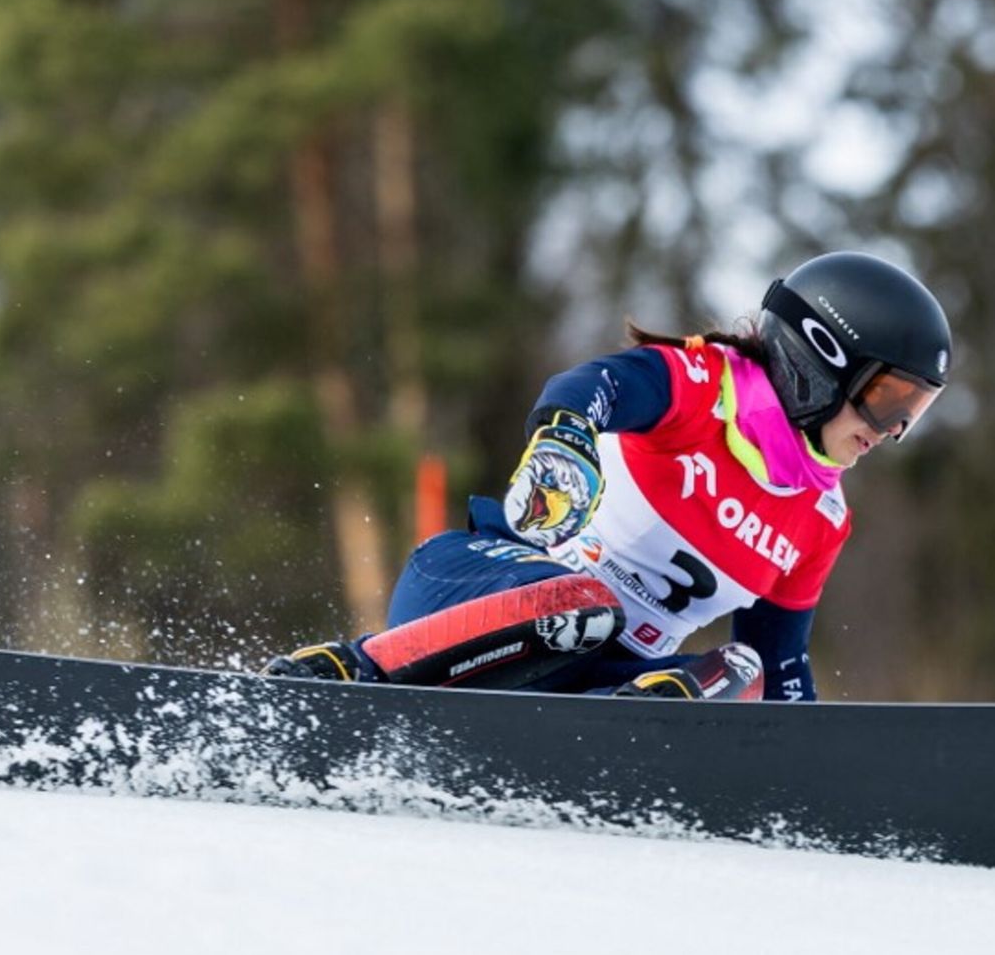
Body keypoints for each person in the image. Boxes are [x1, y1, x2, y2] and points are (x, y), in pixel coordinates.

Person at [264, 251, 952, 700]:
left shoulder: (820, 520)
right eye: (890, 397)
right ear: (821, 359)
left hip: (581, 674)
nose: (892, 429)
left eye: (914, 412)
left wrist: (826, 766)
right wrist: (566, 435)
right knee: (587, 605)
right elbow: (594, 383)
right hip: (473, 594)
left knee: (740, 677)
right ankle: (346, 674)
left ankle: (619, 733)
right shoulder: (707, 388)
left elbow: (782, 665)